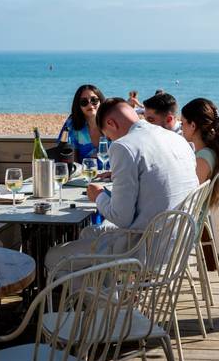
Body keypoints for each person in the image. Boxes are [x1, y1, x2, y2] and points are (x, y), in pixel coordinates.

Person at [44, 98, 198, 275]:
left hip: (142, 249)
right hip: (177, 244)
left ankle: (99, 302)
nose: (111, 140)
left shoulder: (124, 146)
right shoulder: (176, 139)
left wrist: (99, 195)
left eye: (108, 136)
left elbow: (121, 217)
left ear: (111, 123)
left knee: (53, 257)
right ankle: (110, 297)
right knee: (88, 232)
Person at [181, 97, 219, 205]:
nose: (181, 128)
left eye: (182, 123)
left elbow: (189, 196)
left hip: (192, 219)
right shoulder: (208, 152)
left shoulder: (203, 157)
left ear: (193, 125)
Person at [58, 84, 107, 162]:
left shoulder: (111, 121)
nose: (90, 105)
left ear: (100, 101)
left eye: (94, 100)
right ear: (78, 106)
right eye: (84, 102)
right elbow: (67, 157)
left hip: (115, 172)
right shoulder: (72, 124)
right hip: (84, 173)